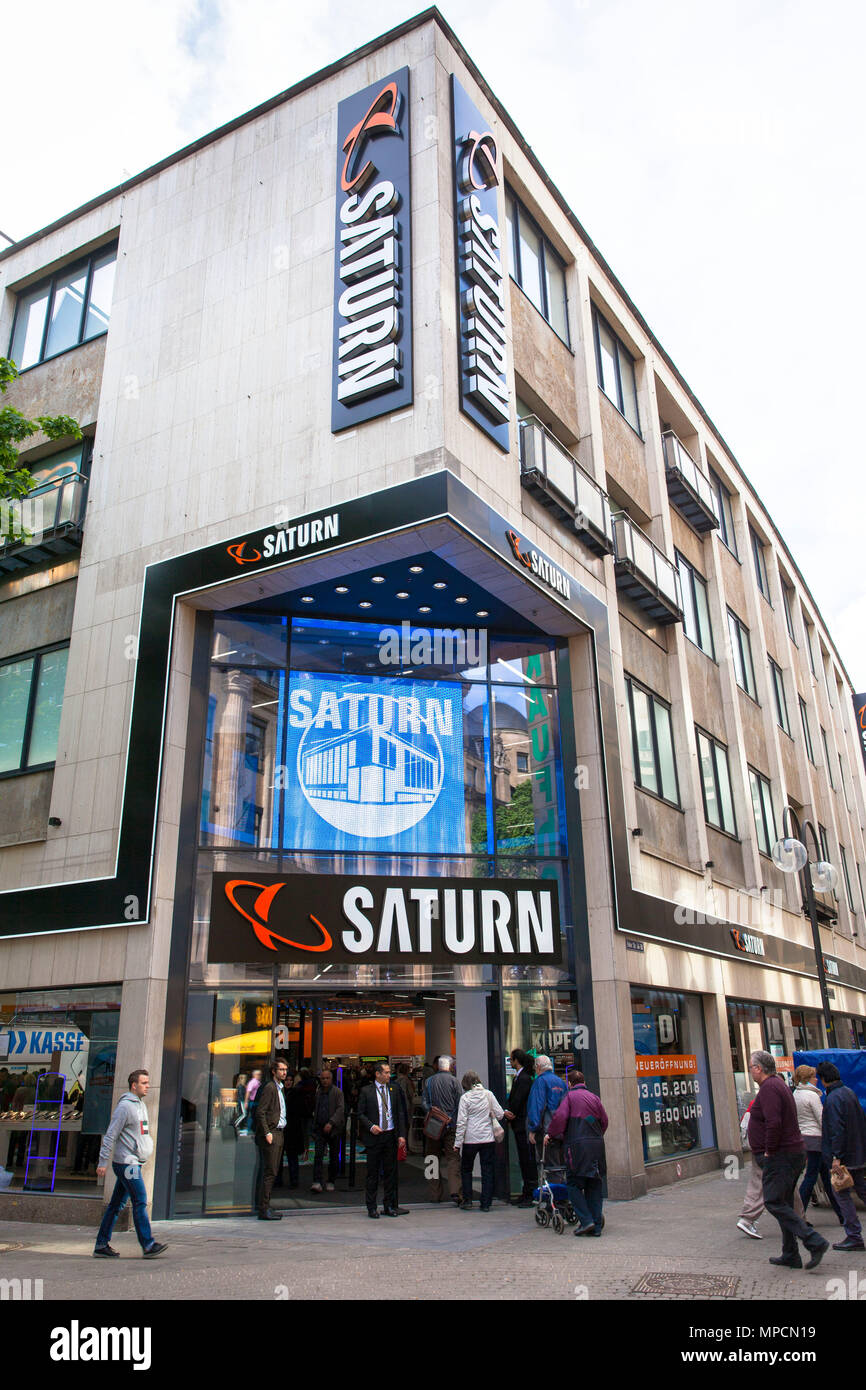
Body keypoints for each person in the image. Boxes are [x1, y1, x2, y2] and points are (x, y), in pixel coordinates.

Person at [747, 1050, 828, 1270]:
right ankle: (790, 1253)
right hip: (790, 1153)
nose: (750, 1070)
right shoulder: (777, 1085)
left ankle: (813, 1241)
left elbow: (774, 1123)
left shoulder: (770, 1088)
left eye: (751, 1066)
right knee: (783, 1203)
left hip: (781, 1155)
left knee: (773, 1201)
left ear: (759, 1068)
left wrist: (769, 1151)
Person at [93, 1069, 166, 1259]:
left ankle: (101, 1244)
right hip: (127, 1164)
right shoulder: (125, 1107)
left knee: (116, 1204)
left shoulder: (140, 1105)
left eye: (148, 1082)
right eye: (144, 1083)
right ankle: (148, 1245)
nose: (148, 1086)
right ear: (134, 1085)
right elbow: (111, 1134)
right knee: (140, 1200)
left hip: (134, 1162)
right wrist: (103, 1162)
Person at [546, 1070, 608, 1236]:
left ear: (570, 1084)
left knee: (573, 1184)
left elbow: (560, 1118)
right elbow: (604, 1121)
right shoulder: (594, 1097)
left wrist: (550, 1134)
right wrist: (595, 1134)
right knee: (594, 1183)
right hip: (596, 1145)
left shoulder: (570, 1098)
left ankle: (586, 1221)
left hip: (577, 1147)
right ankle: (595, 1225)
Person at [816, 1060, 866, 1252]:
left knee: (842, 1194)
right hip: (857, 1153)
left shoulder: (833, 1098)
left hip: (843, 1157)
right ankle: (853, 1235)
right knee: (861, 1189)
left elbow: (837, 1129)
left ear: (823, 1079)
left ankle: (854, 1236)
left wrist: (836, 1157)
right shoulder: (849, 1093)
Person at [793, 1064, 844, 1229]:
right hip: (816, 1139)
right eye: (814, 1077)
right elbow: (821, 1119)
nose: (817, 1079)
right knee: (811, 1176)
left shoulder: (797, 1094)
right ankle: (798, 1215)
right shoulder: (812, 1096)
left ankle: (842, 1214)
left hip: (804, 1138)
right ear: (808, 1079)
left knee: (823, 1177)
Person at [357, 1062, 408, 1218]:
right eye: (385, 1072)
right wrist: (371, 1126)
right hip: (375, 1136)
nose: (388, 1075)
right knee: (372, 1173)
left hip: (390, 1135)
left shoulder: (394, 1090)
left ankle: (389, 1205)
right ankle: (371, 1207)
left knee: (390, 1173)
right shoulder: (367, 1091)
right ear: (377, 1074)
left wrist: (401, 1134)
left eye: (389, 1072)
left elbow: (399, 1112)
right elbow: (360, 1113)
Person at [454, 1070, 504, 1212]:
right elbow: (500, 1114)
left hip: (470, 1139)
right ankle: (486, 1203)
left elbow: (461, 1122)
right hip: (487, 1138)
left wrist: (457, 1143)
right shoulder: (489, 1095)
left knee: (466, 1170)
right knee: (487, 1170)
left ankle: (468, 1200)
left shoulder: (465, 1098)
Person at [421, 1055, 462, 1204]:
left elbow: (424, 1103)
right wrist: (453, 1119)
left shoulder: (429, 1081)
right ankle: (455, 1191)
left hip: (434, 1125)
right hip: (451, 1125)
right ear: (450, 1066)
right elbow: (460, 1103)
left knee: (431, 1158)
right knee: (453, 1158)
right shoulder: (455, 1081)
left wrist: (432, 1112)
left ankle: (434, 1193)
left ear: (437, 1066)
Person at [255, 1059, 289, 1220]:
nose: (284, 1072)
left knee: (272, 1171)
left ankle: (266, 1205)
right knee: (270, 1172)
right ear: (274, 1071)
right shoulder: (270, 1087)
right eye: (281, 1069)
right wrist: (267, 1132)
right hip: (272, 1133)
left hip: (279, 1132)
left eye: (285, 1069)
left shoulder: (280, 1088)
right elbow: (261, 1111)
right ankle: (264, 1207)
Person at [503, 1050, 535, 1207]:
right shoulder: (522, 1077)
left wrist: (511, 1113)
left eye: (511, 1059)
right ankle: (526, 1191)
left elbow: (518, 1100)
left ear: (516, 1061)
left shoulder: (523, 1079)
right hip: (520, 1123)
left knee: (526, 1159)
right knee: (524, 1159)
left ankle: (529, 1192)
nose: (509, 1062)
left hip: (522, 1124)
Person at [526, 1055, 568, 1164]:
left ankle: (554, 1181)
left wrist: (533, 1129)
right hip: (561, 1131)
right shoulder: (561, 1082)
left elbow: (536, 1106)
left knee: (548, 1166)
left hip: (545, 1131)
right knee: (560, 1164)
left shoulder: (540, 1081)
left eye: (535, 1068)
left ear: (538, 1067)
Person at [310, 1068, 345, 1192]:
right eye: (323, 1078)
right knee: (318, 1155)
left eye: (327, 1078)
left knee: (334, 1156)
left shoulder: (337, 1092)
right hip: (320, 1127)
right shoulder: (319, 1092)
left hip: (333, 1129)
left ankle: (331, 1180)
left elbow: (341, 1109)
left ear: (331, 1079)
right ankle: (317, 1180)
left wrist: (331, 1122)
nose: (325, 1081)